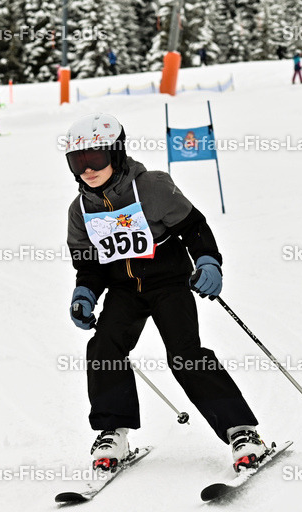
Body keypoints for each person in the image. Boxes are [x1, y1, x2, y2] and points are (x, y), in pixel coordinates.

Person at [63, 113, 266, 473]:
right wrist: (85, 294)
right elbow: (89, 263)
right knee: (105, 348)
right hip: (124, 290)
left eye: (94, 158)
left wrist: (207, 262)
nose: (87, 170)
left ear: (117, 153)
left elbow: (194, 227)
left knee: (185, 354)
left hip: (168, 284)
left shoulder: (151, 187)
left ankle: (241, 431)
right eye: (77, 162)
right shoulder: (80, 210)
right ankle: (113, 431)